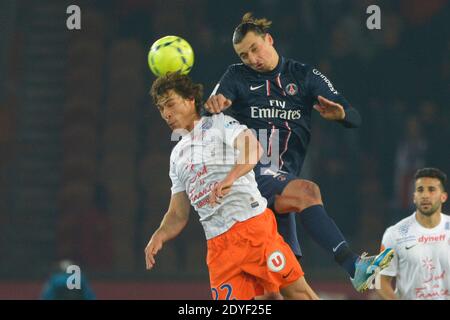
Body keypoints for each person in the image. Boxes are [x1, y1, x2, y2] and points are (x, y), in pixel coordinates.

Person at [204, 12, 394, 292]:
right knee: (307, 192)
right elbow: (207, 114)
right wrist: (214, 104)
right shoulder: (236, 76)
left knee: (288, 285)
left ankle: (352, 267)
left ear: (269, 39)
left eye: (255, 49)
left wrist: (341, 114)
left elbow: (354, 117)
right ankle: (354, 266)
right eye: (244, 55)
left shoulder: (304, 76)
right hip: (250, 177)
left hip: (280, 182)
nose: (252, 59)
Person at [144, 72, 318, 300]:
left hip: (252, 228)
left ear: (190, 99)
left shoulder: (218, 123)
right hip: (219, 248)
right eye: (160, 108)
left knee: (298, 294)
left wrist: (231, 177)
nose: (166, 114)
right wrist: (160, 234)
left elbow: (253, 148)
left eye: (170, 104)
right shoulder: (176, 156)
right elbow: (178, 212)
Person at [377, 168, 449, 300]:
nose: (425, 195)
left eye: (431, 190)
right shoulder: (394, 234)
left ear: (443, 197)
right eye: (420, 190)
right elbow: (380, 281)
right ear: (414, 197)